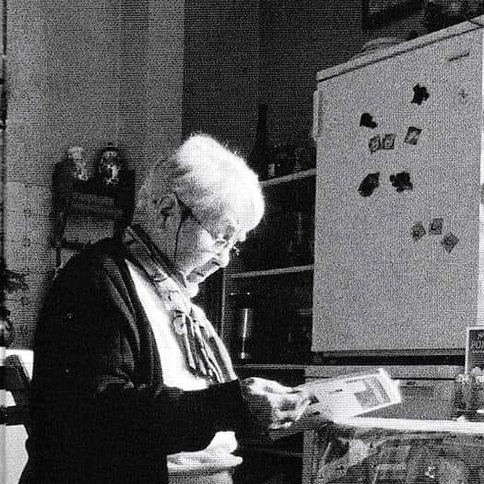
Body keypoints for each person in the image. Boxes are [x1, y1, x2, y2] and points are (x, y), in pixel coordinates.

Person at [22, 134, 314, 484]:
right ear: (166, 211)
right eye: (220, 238)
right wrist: (230, 405)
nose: (223, 259)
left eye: (233, 245)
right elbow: (98, 414)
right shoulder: (95, 280)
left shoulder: (179, 302)